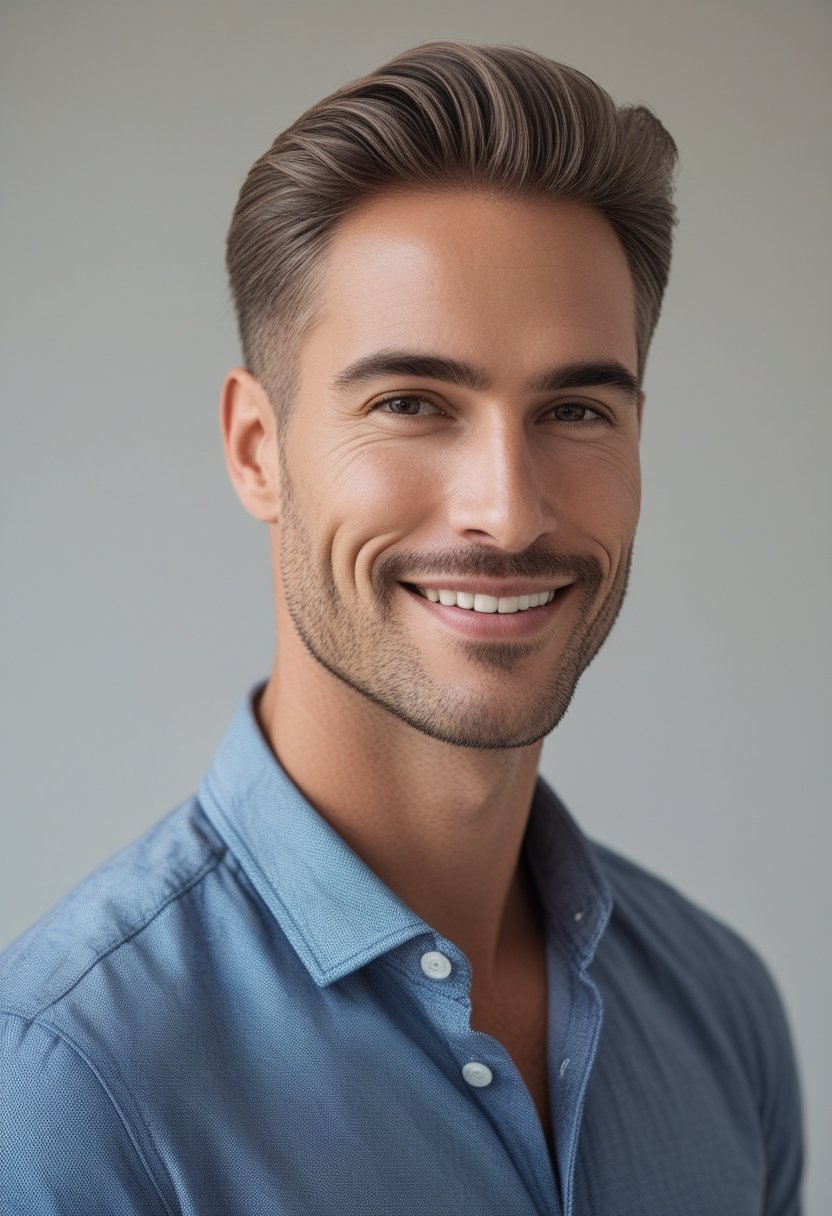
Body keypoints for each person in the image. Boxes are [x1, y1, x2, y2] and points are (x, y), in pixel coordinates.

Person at [1, 40, 803, 1216]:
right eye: (414, 404)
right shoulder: (71, 1082)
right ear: (256, 448)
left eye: (576, 408)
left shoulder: (723, 1010)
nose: (509, 509)